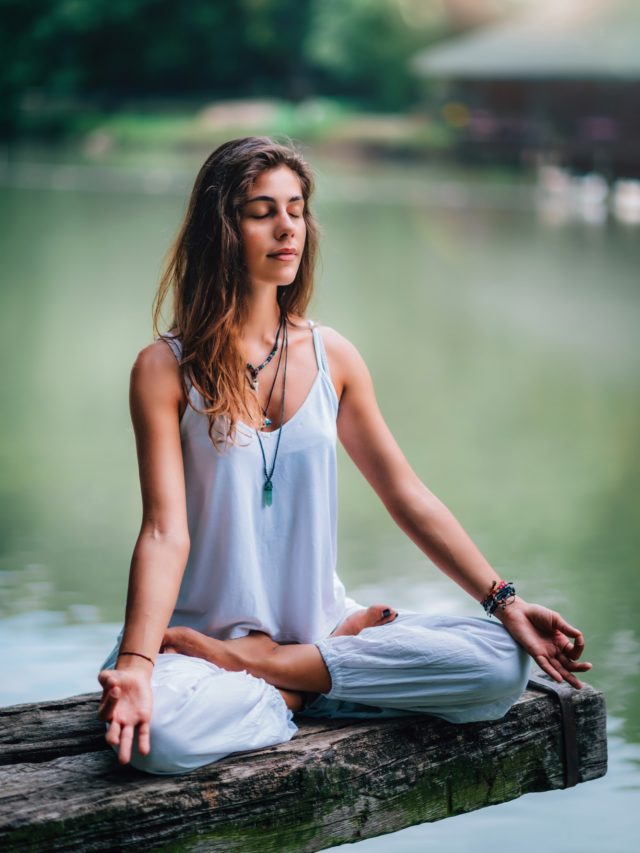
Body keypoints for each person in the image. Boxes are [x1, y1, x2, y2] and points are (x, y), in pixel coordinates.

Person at [98, 136, 592, 775]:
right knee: (158, 741)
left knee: (501, 666)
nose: (288, 229)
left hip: (320, 630)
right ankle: (300, 686)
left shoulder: (334, 357)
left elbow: (405, 495)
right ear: (221, 229)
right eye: (261, 211)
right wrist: (136, 666)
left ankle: (276, 674)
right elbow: (165, 532)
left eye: (297, 209)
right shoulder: (165, 369)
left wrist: (505, 601)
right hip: (193, 648)